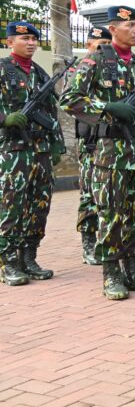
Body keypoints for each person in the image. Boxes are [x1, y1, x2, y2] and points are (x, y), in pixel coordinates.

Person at [61, 6, 135, 300]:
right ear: (113, 27)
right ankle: (112, 273)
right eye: (130, 25)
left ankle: (133, 268)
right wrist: (106, 108)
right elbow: (71, 100)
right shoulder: (95, 60)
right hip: (111, 154)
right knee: (112, 214)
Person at [0, 21, 65, 286]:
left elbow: (51, 113)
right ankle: (9, 262)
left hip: (41, 150)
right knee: (11, 206)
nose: (31, 43)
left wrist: (58, 144)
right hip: (13, 150)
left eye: (34, 39)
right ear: (9, 42)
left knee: (39, 205)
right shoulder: (3, 70)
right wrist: (5, 118)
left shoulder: (40, 73)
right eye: (24, 38)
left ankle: (29, 257)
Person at [75, 26, 111, 265]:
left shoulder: (113, 69)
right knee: (90, 194)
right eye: (99, 42)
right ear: (89, 44)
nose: (103, 47)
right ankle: (88, 243)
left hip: (109, 142)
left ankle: (104, 240)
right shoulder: (83, 68)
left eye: (107, 42)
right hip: (90, 142)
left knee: (106, 196)